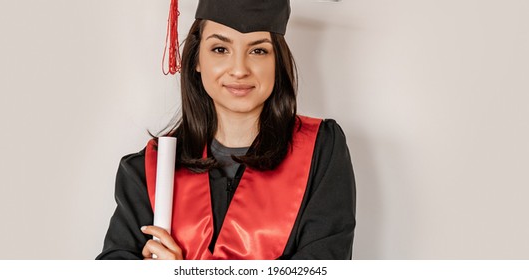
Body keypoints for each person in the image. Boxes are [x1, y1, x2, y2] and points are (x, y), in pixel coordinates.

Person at [96, 0, 356, 260]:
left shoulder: (319, 152)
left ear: (277, 61)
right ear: (197, 59)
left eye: (258, 51)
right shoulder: (148, 170)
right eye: (220, 49)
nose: (240, 70)